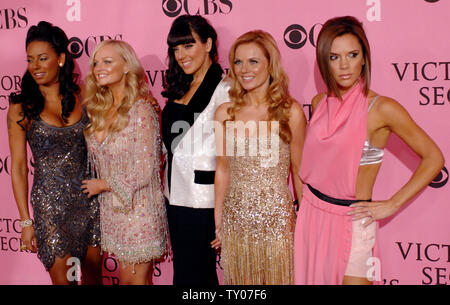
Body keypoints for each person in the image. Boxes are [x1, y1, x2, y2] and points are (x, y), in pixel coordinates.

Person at [294, 16, 445, 285]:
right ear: (323, 61)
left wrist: (393, 204)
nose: (344, 66)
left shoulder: (381, 109)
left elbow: (434, 158)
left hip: (352, 221)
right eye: (334, 57)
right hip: (312, 215)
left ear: (364, 57)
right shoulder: (319, 103)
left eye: (352, 55)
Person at [7, 21, 102, 285]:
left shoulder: (85, 95)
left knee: (95, 281)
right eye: (30, 60)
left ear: (60, 59)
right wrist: (26, 222)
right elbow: (17, 167)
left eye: (43, 58)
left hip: (90, 202)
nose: (35, 66)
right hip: (50, 209)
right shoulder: (21, 107)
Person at [213, 30, 306, 284]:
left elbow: (299, 171)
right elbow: (222, 169)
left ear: (270, 65)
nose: (244, 69)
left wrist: (305, 222)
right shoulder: (224, 113)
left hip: (277, 220)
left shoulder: (290, 112)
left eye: (253, 61)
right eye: (238, 62)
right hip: (236, 220)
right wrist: (219, 221)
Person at [81, 39, 168, 285]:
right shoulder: (98, 109)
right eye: (96, 63)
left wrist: (102, 184)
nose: (99, 68)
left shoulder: (141, 109)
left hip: (139, 210)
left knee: (136, 281)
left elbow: (146, 168)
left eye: (108, 61)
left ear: (127, 66)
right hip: (112, 211)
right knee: (125, 279)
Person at [161, 14, 230, 285]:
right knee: (185, 274)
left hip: (205, 199)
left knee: (200, 276)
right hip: (174, 196)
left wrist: (224, 214)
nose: (181, 55)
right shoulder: (180, 87)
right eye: (176, 48)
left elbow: (232, 156)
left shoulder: (226, 89)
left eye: (188, 46)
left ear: (209, 44)